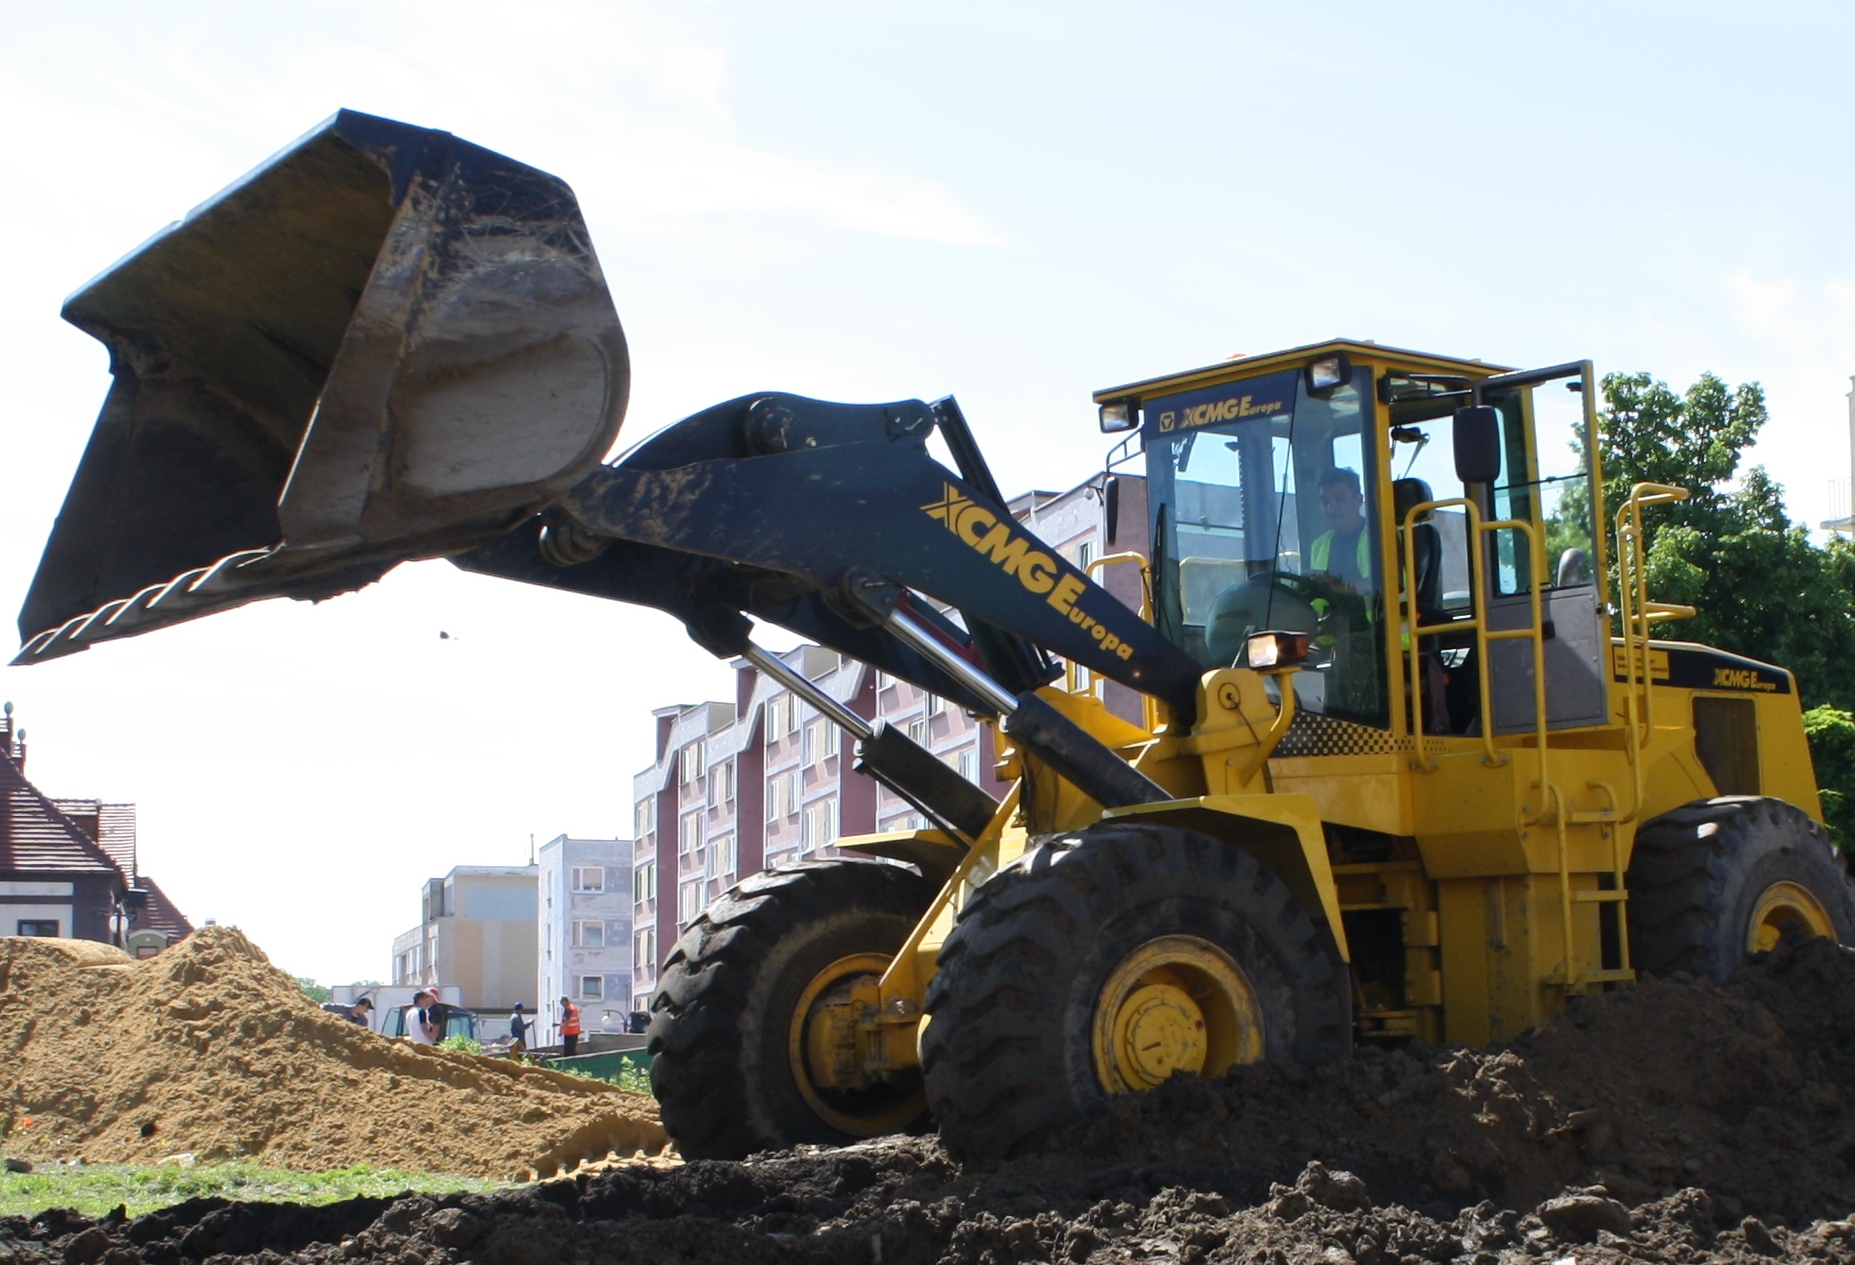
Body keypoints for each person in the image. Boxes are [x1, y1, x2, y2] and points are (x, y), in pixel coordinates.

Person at [1308, 467, 1372, 593]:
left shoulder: (1380, 537)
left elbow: (1387, 586)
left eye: (1340, 499)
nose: (1331, 508)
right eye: (1325, 501)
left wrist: (1338, 589)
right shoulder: (1318, 546)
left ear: (1358, 500)